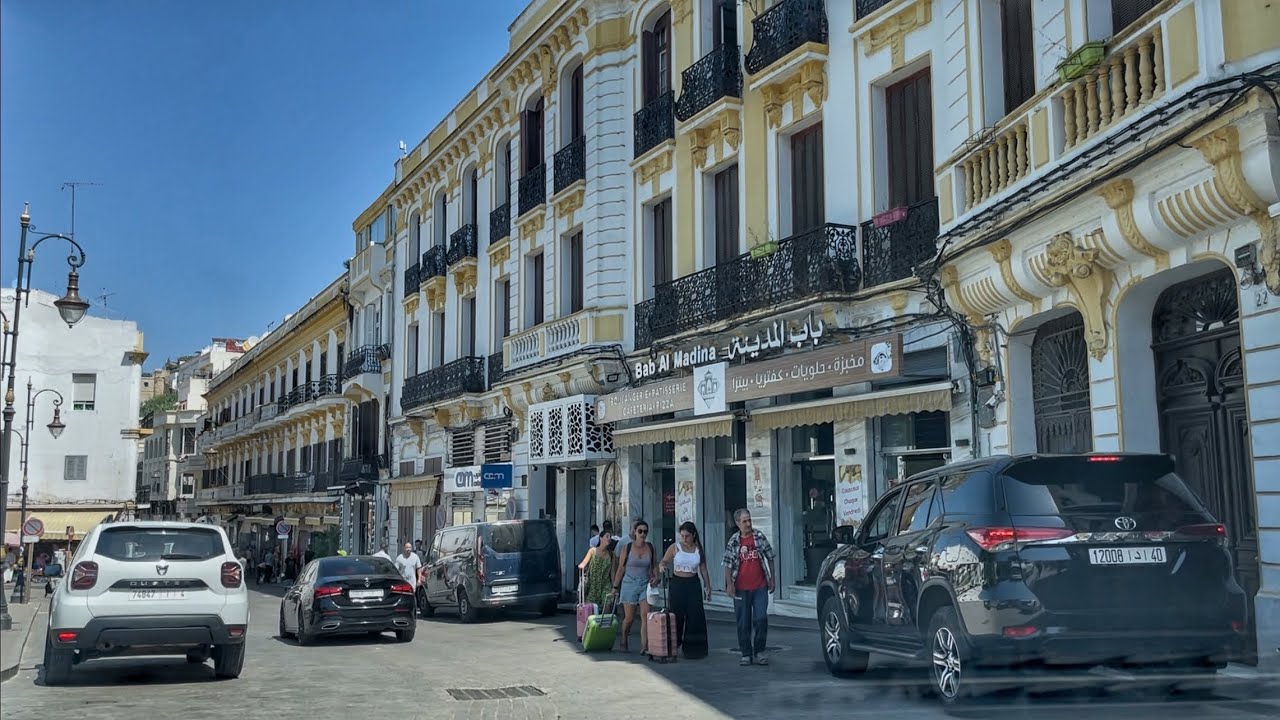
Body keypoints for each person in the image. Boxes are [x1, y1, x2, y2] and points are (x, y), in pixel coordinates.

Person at [723, 508, 776, 666]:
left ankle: (759, 650)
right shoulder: (733, 541)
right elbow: (727, 564)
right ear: (738, 523)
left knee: (760, 618)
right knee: (743, 621)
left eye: (749, 520)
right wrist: (729, 584)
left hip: (760, 586)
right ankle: (746, 653)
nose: (748, 524)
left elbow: (770, 557)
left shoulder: (758, 536)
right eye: (744, 521)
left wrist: (772, 579)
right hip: (740, 588)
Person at [659, 521, 711, 659]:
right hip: (677, 583)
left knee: (695, 615)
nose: (684, 539)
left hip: (693, 584)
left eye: (687, 536)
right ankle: (674, 646)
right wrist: (662, 567)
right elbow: (663, 561)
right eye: (682, 536)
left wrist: (707, 586)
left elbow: (703, 569)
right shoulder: (675, 547)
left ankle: (693, 649)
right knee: (676, 615)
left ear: (693, 535)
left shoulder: (698, 549)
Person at [611, 519, 657, 652]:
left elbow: (654, 565)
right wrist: (615, 587)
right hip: (629, 584)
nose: (643, 534)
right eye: (640, 531)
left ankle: (645, 647)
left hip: (645, 584)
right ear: (635, 532)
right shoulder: (628, 547)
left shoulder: (651, 548)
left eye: (645, 532)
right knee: (629, 618)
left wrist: (656, 578)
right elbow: (620, 568)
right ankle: (624, 637)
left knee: (646, 615)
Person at [577, 532, 615, 608]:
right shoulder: (592, 551)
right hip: (592, 585)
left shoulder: (611, 554)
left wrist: (614, 587)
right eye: (607, 536)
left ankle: (605, 619)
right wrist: (581, 566)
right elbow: (584, 563)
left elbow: (612, 572)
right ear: (601, 538)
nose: (609, 538)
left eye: (610, 537)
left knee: (607, 604)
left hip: (605, 584)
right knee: (591, 608)